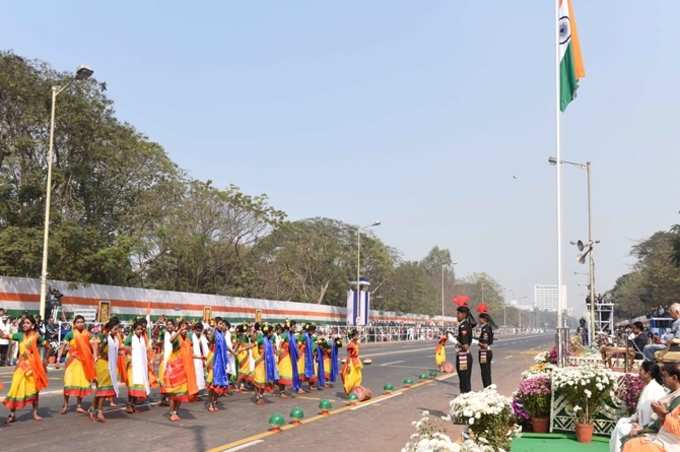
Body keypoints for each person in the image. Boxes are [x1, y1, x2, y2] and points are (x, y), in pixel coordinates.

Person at [0, 315, 48, 424]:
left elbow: (47, 346)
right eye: (24, 323)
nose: (25, 325)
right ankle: (12, 414)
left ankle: (35, 413)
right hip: (21, 367)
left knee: (34, 391)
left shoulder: (36, 336)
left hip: (32, 367)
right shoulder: (19, 335)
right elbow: (4, 336)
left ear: (33, 325)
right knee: (15, 389)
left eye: (27, 323)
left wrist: (45, 359)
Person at [611, 361, 667, 452]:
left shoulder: (656, 390)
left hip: (650, 429)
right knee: (621, 423)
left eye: (640, 370)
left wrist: (641, 427)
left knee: (622, 429)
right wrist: (634, 420)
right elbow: (640, 411)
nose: (638, 372)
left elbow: (654, 417)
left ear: (648, 373)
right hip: (641, 424)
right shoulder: (648, 386)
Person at [623, 362, 680, 451]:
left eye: (665, 376)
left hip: (672, 443)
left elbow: (676, 428)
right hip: (662, 436)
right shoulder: (671, 395)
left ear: (674, 378)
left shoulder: (678, 399)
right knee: (630, 442)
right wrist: (642, 428)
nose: (662, 379)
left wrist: (662, 414)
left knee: (632, 443)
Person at [60, 315, 97, 415]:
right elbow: (63, 346)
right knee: (68, 384)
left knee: (81, 384)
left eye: (82, 322)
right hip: (72, 362)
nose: (80, 324)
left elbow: (94, 344)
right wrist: (59, 357)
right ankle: (66, 405)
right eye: (78, 322)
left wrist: (95, 356)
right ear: (74, 324)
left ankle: (79, 406)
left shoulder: (87, 334)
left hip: (83, 363)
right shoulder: (70, 334)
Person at [90, 318, 121, 422]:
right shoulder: (105, 337)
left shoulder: (116, 339)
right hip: (103, 365)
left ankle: (92, 409)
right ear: (110, 329)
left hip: (111, 365)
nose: (117, 331)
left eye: (118, 329)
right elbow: (98, 348)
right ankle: (99, 412)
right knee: (103, 389)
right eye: (115, 329)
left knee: (102, 390)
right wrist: (99, 351)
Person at [125, 320, 151, 413]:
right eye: (138, 329)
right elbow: (125, 347)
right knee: (132, 386)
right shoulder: (130, 338)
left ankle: (133, 404)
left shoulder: (143, 339)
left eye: (141, 329)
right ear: (134, 330)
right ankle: (129, 404)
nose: (140, 331)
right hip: (133, 366)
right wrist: (129, 358)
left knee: (139, 386)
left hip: (141, 366)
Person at [206, 317, 229, 412]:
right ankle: (210, 403)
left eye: (222, 324)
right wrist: (214, 330)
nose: (221, 325)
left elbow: (225, 347)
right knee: (213, 383)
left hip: (221, 360)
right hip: (214, 359)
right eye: (219, 324)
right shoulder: (214, 333)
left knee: (219, 383)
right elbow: (210, 340)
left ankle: (215, 402)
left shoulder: (222, 334)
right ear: (216, 324)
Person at [455, 304, 475, 394]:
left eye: (458, 313)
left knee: (464, 382)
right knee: (463, 380)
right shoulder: (463, 325)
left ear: (464, 314)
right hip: (463, 356)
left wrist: (454, 341)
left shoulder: (464, 326)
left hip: (464, 356)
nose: (457, 316)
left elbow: (465, 346)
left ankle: (466, 402)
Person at [477, 305, 495, 388]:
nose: (478, 320)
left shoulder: (485, 329)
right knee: (486, 372)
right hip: (486, 352)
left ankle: (487, 389)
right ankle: (488, 388)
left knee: (485, 372)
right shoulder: (487, 327)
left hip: (484, 352)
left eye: (479, 318)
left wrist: (476, 342)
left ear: (483, 319)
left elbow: (485, 344)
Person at [341, 328, 363, 394]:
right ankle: (348, 389)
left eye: (358, 335)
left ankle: (355, 390)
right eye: (356, 335)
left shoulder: (357, 344)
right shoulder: (351, 345)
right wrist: (348, 365)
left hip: (357, 361)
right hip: (351, 362)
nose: (357, 336)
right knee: (351, 377)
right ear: (353, 337)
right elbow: (348, 355)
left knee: (358, 376)